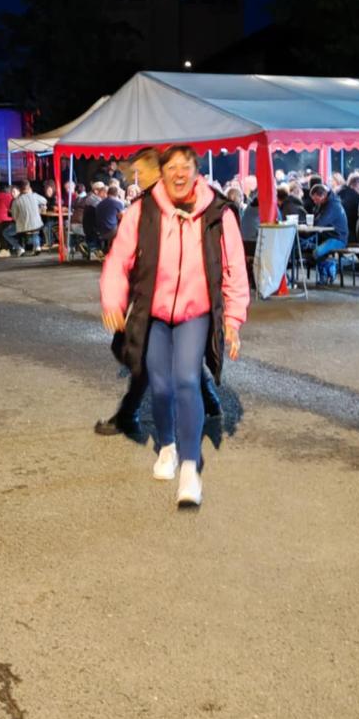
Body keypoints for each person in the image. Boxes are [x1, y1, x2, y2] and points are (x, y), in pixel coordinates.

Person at [99, 145, 249, 507]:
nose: (179, 173)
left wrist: (233, 319)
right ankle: (167, 446)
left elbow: (234, 269)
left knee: (185, 379)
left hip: (195, 313)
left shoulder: (218, 213)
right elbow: (118, 260)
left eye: (186, 167)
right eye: (172, 168)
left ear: (196, 172)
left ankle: (189, 468)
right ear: (163, 174)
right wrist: (113, 301)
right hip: (153, 312)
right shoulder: (143, 210)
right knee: (161, 386)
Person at [308, 185, 349, 285]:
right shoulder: (323, 203)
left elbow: (319, 222)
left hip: (338, 238)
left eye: (315, 199)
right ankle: (325, 274)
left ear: (323, 196)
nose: (314, 202)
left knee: (317, 252)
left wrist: (313, 221)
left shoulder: (333, 206)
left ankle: (330, 266)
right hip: (325, 236)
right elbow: (316, 220)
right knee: (308, 248)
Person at [0, 180, 46, 257]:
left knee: (5, 233)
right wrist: (40, 206)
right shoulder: (34, 196)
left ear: (20, 189)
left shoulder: (16, 201)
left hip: (22, 227)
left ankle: (19, 248)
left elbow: (14, 217)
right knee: (35, 228)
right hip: (36, 225)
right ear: (29, 187)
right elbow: (44, 201)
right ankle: (37, 246)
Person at [92, 184, 127, 250]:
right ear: (117, 194)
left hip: (99, 231)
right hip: (110, 231)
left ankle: (109, 248)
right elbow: (122, 217)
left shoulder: (100, 203)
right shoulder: (117, 203)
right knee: (126, 229)